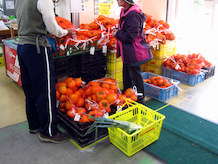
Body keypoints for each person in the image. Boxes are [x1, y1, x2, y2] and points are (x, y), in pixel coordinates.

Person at [15, 0, 75, 143]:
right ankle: (49, 131)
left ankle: (34, 124)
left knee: (30, 89)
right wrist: (66, 31)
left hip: (22, 45)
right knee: (45, 91)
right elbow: (52, 27)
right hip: (37, 47)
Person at [112, 0, 153, 103]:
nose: (117, 0)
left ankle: (139, 98)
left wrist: (117, 33)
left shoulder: (133, 15)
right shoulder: (125, 11)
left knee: (134, 76)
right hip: (128, 52)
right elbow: (126, 30)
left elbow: (130, 36)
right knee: (127, 76)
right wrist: (118, 30)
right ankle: (128, 96)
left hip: (134, 52)